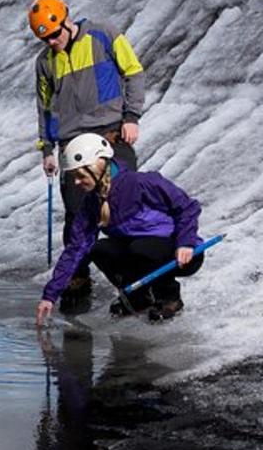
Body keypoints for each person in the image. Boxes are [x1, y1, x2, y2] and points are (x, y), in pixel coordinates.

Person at [29, 0, 145, 305]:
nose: (52, 42)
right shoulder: (44, 62)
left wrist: (131, 117)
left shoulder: (103, 34)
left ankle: (139, 280)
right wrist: (46, 150)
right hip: (71, 145)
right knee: (77, 213)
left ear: (66, 20)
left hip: (111, 137)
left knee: (124, 205)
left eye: (55, 34)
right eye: (45, 39)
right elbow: (46, 108)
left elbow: (133, 71)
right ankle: (78, 277)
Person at [34, 133, 204, 326]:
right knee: (98, 249)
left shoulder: (141, 183)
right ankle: (138, 298)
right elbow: (75, 249)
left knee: (141, 247)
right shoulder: (91, 203)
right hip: (140, 252)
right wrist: (50, 295)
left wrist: (185, 243)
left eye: (80, 176)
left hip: (183, 253)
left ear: (96, 167)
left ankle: (169, 299)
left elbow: (188, 207)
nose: (76, 183)